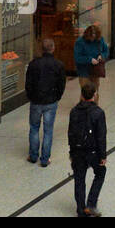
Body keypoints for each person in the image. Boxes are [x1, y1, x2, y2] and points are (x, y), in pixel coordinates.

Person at [25, 38, 67, 167]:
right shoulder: (59, 65)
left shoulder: (33, 64)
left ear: (41, 49)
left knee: (34, 128)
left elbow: (28, 83)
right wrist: (57, 96)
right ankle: (45, 158)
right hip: (51, 100)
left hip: (36, 100)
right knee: (48, 130)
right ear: (53, 48)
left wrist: (31, 96)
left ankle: (33, 156)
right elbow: (61, 84)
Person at [68, 82, 107, 216]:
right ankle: (91, 204)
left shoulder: (74, 111)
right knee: (100, 173)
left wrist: (71, 152)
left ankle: (80, 209)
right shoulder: (98, 113)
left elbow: (71, 133)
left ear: (82, 95)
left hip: (78, 151)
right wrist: (103, 156)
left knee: (79, 179)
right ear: (94, 95)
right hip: (93, 151)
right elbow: (101, 136)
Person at [73, 24, 108, 91]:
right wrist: (90, 59)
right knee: (85, 92)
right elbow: (77, 57)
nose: (92, 39)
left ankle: (94, 101)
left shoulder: (100, 40)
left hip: (95, 69)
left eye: (94, 38)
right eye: (91, 37)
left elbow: (105, 50)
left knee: (95, 90)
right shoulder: (80, 42)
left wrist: (102, 56)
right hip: (84, 70)